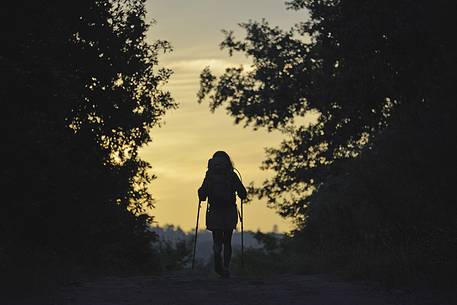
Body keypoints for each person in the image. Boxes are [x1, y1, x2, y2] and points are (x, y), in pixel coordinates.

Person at [198, 151, 247, 277]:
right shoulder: (231, 175)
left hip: (214, 210)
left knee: (217, 238)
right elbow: (243, 193)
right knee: (228, 241)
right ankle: (226, 267)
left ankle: (216, 251)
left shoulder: (210, 175)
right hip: (229, 211)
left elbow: (202, 195)